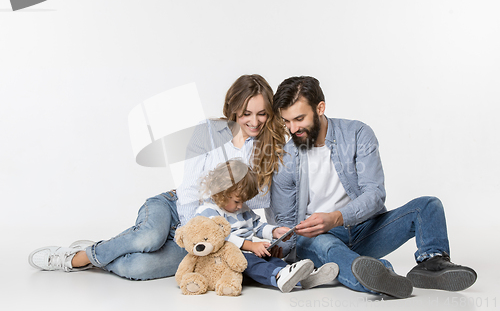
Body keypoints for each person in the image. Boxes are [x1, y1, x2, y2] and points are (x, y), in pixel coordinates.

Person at [28, 74, 287, 280]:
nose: (254, 121)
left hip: (215, 231)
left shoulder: (271, 148)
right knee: (148, 239)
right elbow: (189, 190)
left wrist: (274, 236)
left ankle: (109, 250)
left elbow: (259, 204)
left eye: (262, 113)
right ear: (233, 110)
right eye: (246, 114)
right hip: (179, 209)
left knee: (139, 267)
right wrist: (191, 231)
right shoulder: (208, 131)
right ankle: (81, 256)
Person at [269, 76, 477, 298]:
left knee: (427, 206)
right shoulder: (285, 158)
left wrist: (336, 217)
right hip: (316, 237)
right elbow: (286, 223)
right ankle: (380, 275)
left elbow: (375, 194)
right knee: (328, 246)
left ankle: (431, 263)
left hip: (363, 229)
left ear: (320, 108)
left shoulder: (357, 134)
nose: (293, 128)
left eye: (299, 119)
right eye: (286, 121)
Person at [195, 159, 339, 293]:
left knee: (270, 259)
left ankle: (301, 276)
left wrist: (275, 231)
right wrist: (251, 246)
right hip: (225, 259)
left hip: (246, 254)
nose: (240, 206)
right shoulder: (208, 210)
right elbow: (220, 237)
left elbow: (256, 225)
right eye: (237, 201)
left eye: (243, 201)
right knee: (251, 262)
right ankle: (278, 276)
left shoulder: (241, 208)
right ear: (221, 190)